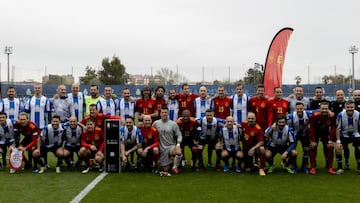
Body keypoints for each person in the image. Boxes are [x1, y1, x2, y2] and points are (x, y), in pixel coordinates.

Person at [152, 106, 182, 177]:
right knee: (165, 169)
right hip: (161, 147)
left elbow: (179, 135)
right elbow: (151, 131)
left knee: (178, 152)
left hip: (171, 146)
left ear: (168, 113)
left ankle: (175, 166)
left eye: (165, 112)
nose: (164, 114)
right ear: (160, 114)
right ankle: (168, 161)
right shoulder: (156, 123)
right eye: (162, 112)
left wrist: (178, 144)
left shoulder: (173, 124)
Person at [287, 102, 315, 173]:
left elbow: (317, 110)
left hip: (305, 135)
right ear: (295, 109)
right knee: (293, 152)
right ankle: (294, 166)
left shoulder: (308, 113)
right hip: (294, 136)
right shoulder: (291, 116)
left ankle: (304, 166)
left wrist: (328, 111)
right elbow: (283, 123)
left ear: (304, 108)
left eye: (301, 108)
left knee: (307, 149)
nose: (299, 110)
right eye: (298, 108)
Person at [309, 102, 337, 175]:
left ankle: (330, 167)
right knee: (313, 146)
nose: (324, 110)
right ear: (319, 109)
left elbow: (333, 128)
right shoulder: (314, 115)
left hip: (325, 133)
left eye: (326, 109)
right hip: (315, 132)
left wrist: (330, 140)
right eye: (322, 109)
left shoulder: (332, 115)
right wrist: (313, 140)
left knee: (330, 147)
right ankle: (313, 167)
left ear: (328, 109)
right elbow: (311, 128)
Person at [335, 100, 360, 174]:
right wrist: (338, 141)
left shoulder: (358, 114)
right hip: (344, 135)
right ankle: (340, 167)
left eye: (351, 107)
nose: (350, 109)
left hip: (356, 135)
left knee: (358, 147)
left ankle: (359, 166)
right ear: (345, 107)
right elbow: (338, 128)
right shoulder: (340, 115)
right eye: (348, 107)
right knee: (338, 148)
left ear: (354, 107)